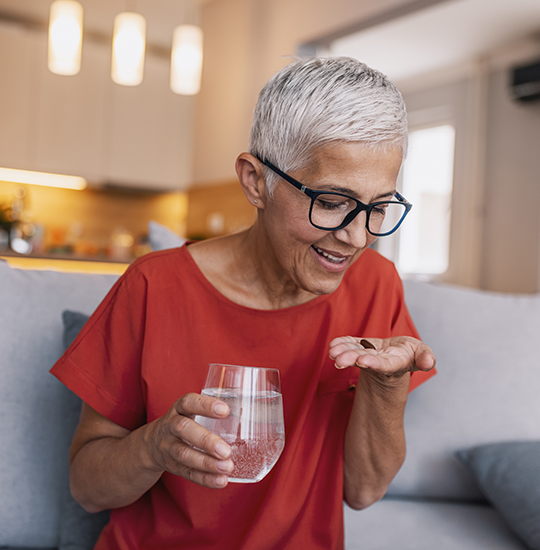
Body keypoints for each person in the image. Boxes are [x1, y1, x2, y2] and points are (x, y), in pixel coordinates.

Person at [51, 56, 436, 550]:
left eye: (378, 206)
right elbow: (86, 488)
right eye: (333, 202)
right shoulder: (154, 286)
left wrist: (387, 388)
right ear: (256, 181)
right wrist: (154, 446)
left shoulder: (375, 286)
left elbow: (364, 491)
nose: (358, 237)